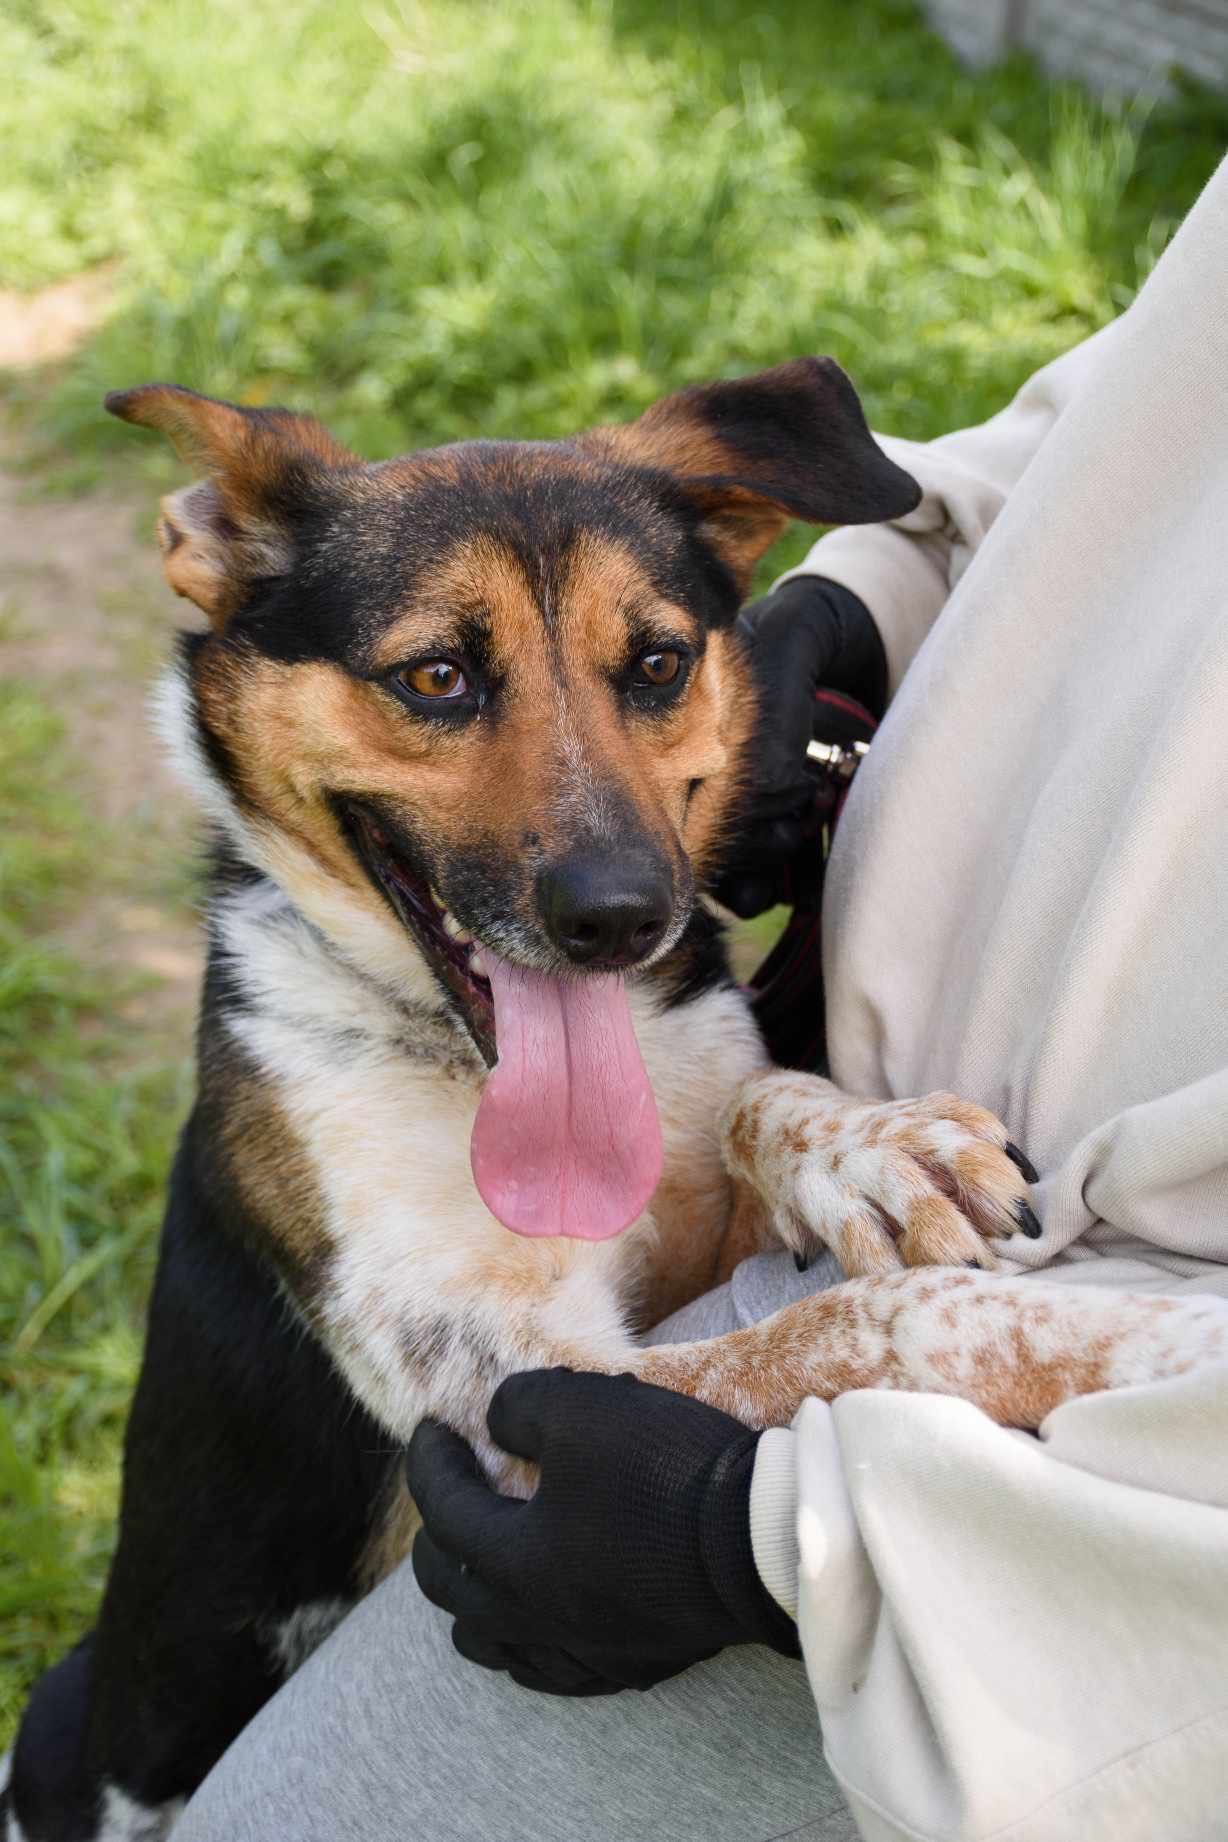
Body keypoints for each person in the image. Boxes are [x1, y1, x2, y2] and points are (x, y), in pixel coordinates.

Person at [174, 157, 1228, 1842]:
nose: (607, 869)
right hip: (204, 1741)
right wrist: (890, 600)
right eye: (437, 683)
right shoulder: (289, 1067)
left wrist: (795, 1135)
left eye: (651, 666)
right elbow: (526, 1440)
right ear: (224, 593)